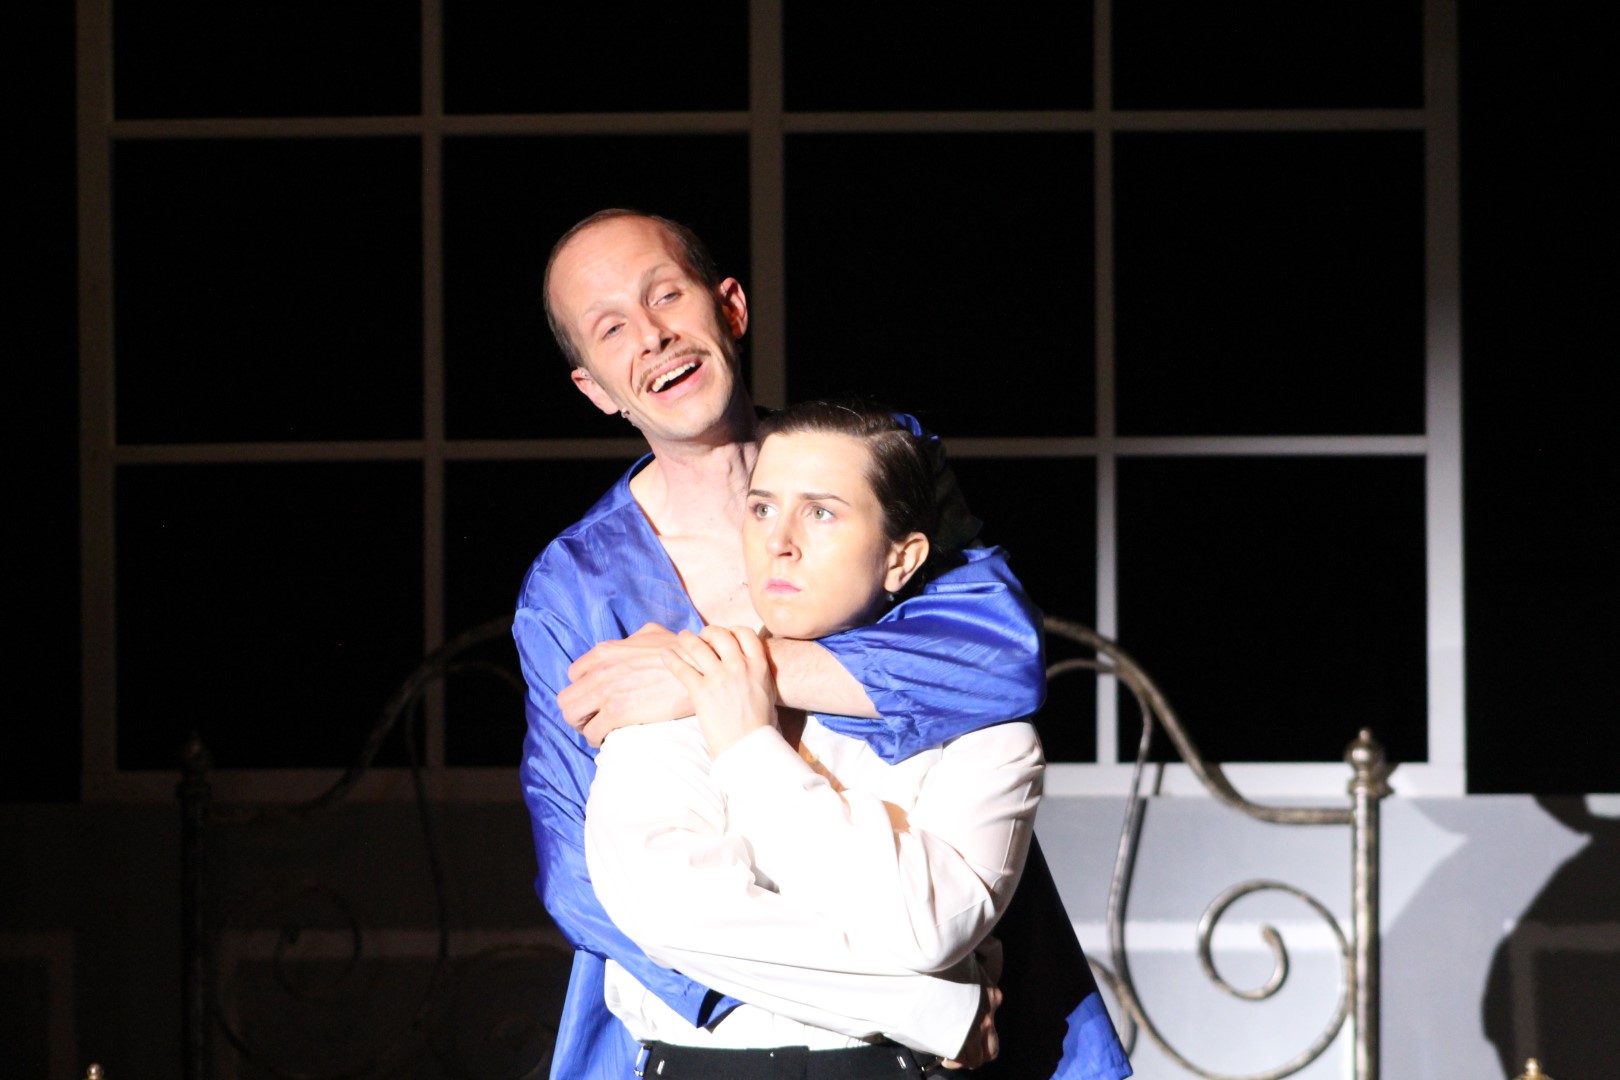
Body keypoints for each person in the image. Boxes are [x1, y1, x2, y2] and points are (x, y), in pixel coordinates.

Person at [514, 208, 1130, 1079]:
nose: (652, 336)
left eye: (667, 296)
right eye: (611, 327)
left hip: (954, 983)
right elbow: (585, 879)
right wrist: (908, 1006)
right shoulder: (574, 587)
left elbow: (1000, 660)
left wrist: (720, 677)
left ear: (731, 308)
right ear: (595, 388)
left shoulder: (870, 463)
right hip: (721, 1028)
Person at [584, 400, 1046, 1075]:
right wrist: (934, 1008)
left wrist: (749, 749)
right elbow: (670, 912)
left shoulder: (982, 731)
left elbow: (928, 926)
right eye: (762, 508)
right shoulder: (670, 684)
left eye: (822, 512)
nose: (779, 541)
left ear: (901, 558)